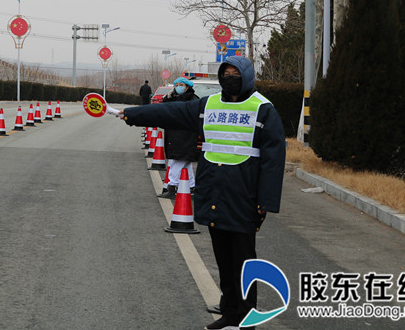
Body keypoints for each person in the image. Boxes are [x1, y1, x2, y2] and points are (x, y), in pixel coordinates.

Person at [118, 56, 285, 330]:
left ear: (246, 76)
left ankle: (246, 319)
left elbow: (273, 160)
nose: (230, 78)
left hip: (244, 196)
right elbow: (169, 113)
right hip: (214, 190)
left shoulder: (263, 109)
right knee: (222, 257)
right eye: (226, 73)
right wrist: (134, 115)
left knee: (243, 261)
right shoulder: (209, 105)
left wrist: (265, 202)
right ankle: (230, 314)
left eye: (235, 73)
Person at [160, 76, 200, 198]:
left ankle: (171, 187)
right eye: (176, 85)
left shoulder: (193, 100)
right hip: (176, 136)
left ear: (187, 87)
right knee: (185, 162)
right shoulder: (176, 98)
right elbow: (166, 108)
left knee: (178, 161)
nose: (178, 88)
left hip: (186, 136)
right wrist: (168, 97)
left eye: (181, 85)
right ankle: (192, 187)